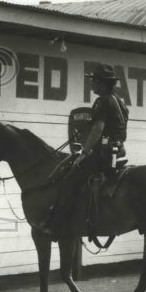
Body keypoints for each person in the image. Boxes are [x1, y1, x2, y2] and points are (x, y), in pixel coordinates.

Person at [39, 64, 130, 237]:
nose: (92, 84)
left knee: (70, 177)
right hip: (119, 151)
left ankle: (58, 223)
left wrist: (85, 153)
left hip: (104, 153)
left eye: (94, 81)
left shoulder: (102, 101)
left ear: (103, 83)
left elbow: (98, 128)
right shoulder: (120, 101)